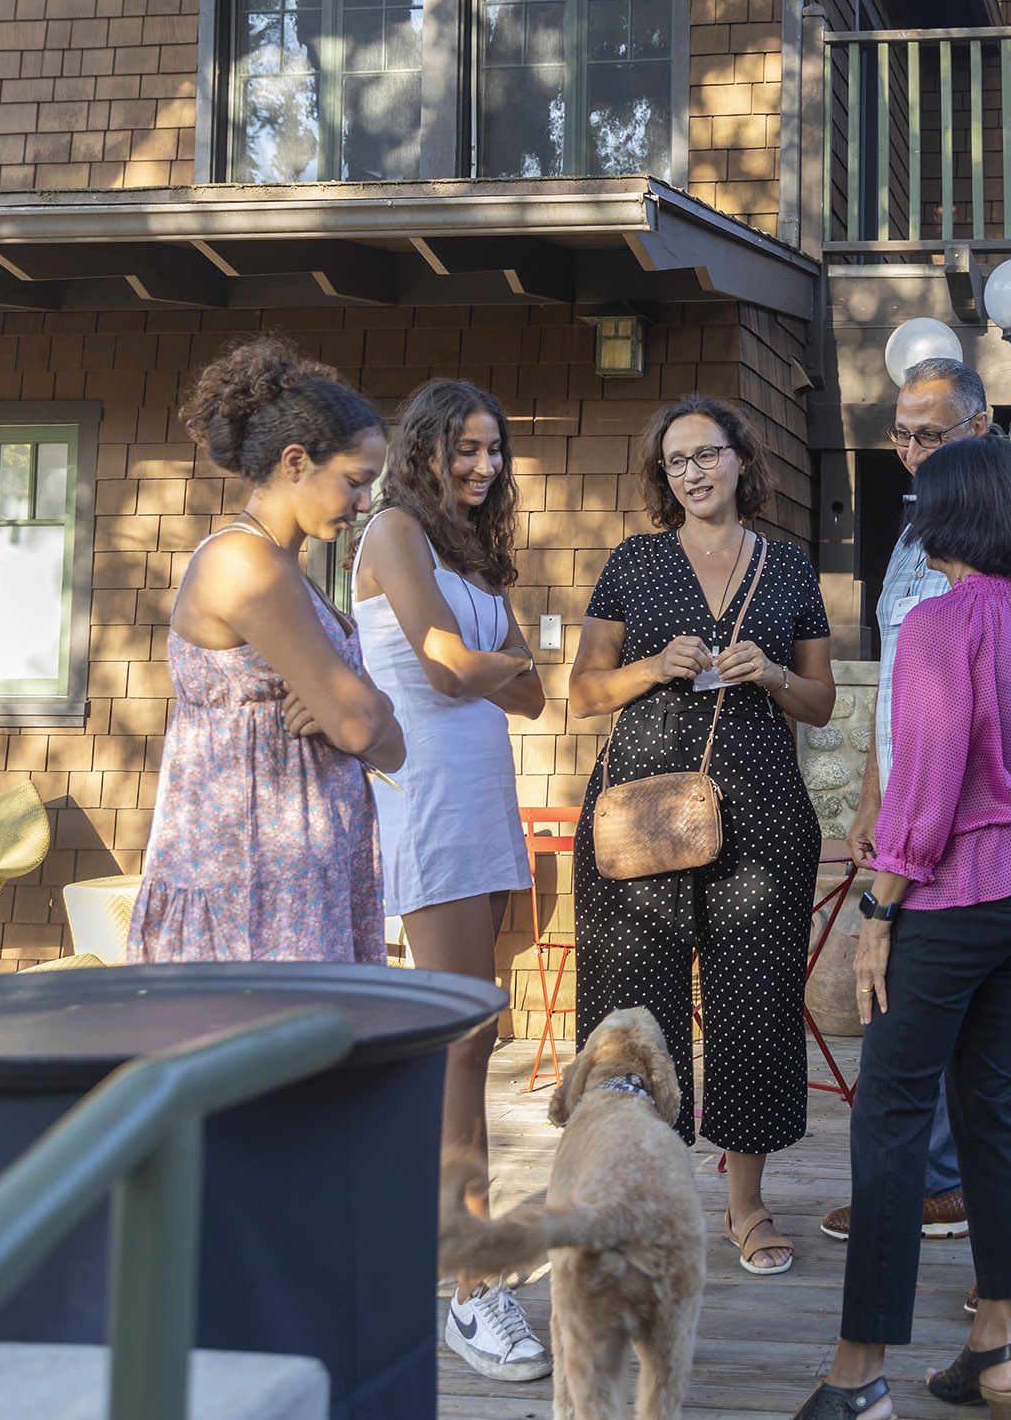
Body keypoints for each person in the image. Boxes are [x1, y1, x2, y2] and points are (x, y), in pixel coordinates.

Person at [795, 434, 1011, 1420]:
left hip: (957, 894)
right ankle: (994, 1348)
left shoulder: (939, 623)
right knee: (987, 1099)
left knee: (890, 1113)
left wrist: (878, 901)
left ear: (945, 513)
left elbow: (927, 777)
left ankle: (858, 1367)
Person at [568, 396, 836, 1279]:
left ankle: (746, 1204)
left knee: (754, 1011)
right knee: (632, 1016)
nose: (692, 471)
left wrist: (772, 679)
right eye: (676, 460)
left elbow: (821, 699)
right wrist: (654, 666)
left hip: (760, 819)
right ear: (663, 476)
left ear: (740, 461)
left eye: (706, 454)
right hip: (641, 817)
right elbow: (583, 689)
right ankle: (649, 1200)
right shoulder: (634, 563)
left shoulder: (791, 567)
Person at [352, 378, 550, 1381]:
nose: (480, 467)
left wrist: (493, 664)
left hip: (483, 798)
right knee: (461, 1040)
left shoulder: (471, 553)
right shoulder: (392, 529)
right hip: (425, 796)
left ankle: (449, 1258)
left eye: (492, 451)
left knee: (474, 1034)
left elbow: (536, 691)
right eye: (464, 449)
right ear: (425, 446)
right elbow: (441, 670)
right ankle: (468, 1286)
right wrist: (494, 662)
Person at [133, 337, 402, 964]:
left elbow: (387, 743)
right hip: (251, 876)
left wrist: (362, 716)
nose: (364, 504)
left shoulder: (291, 570)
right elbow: (363, 725)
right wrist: (362, 715)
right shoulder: (244, 561)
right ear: (295, 462)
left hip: (305, 874)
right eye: (356, 482)